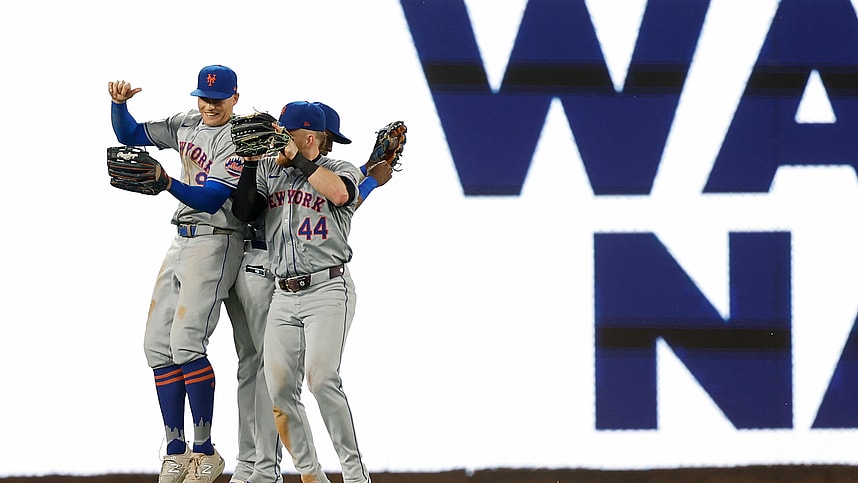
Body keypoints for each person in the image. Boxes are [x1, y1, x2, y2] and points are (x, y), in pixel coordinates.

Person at [107, 64, 246, 483]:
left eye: (218, 99)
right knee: (156, 347)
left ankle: (205, 451)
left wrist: (166, 181)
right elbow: (130, 135)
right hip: (181, 239)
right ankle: (175, 451)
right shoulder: (186, 122)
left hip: (217, 238)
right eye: (203, 97)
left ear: (235, 98)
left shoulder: (237, 139)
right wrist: (118, 106)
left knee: (186, 343)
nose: (209, 105)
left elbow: (211, 198)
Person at [231, 101, 372, 483]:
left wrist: (299, 161)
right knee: (278, 389)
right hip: (283, 295)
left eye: (283, 133)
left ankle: (355, 475)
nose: (276, 138)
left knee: (322, 378)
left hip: (327, 288)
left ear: (308, 137)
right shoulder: (269, 171)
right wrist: (248, 161)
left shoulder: (338, 169)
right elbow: (245, 211)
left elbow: (341, 195)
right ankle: (311, 476)